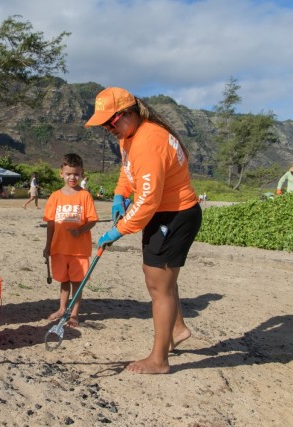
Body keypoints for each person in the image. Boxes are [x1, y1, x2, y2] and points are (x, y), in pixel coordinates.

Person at [85, 87, 202, 374]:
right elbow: (128, 170)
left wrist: (119, 230)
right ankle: (177, 328)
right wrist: (119, 194)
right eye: (104, 124)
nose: (108, 128)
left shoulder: (149, 140)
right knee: (163, 279)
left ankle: (159, 360)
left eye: (110, 122)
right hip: (164, 213)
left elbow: (148, 199)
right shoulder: (132, 136)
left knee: (157, 285)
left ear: (129, 113)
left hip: (172, 216)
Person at [43, 153, 99, 327]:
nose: (72, 177)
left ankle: (74, 314)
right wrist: (47, 246)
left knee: (77, 283)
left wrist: (80, 230)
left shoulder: (85, 196)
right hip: (58, 248)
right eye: (68, 174)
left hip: (79, 250)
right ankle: (61, 309)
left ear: (81, 173)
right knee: (63, 281)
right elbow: (50, 224)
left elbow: (92, 220)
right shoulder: (55, 196)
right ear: (61, 173)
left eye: (76, 174)